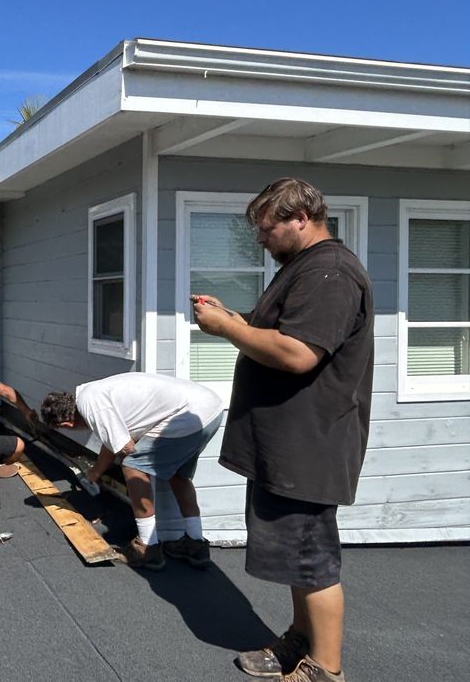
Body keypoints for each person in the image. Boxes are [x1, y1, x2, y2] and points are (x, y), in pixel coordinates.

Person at [193, 177, 374, 682]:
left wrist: (229, 330)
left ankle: (324, 669)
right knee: (296, 555)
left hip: (310, 446)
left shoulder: (331, 273)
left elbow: (298, 354)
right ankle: (300, 639)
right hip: (286, 446)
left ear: (299, 219)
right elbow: (276, 330)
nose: (260, 240)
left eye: (266, 229)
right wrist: (232, 316)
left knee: (313, 557)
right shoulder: (302, 269)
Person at [40, 373, 224, 571]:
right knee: (178, 475)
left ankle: (147, 548)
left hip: (187, 414)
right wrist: (96, 472)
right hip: (209, 410)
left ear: (66, 425)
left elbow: (126, 448)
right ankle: (196, 545)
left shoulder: (91, 404)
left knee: (133, 465)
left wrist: (126, 469)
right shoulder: (91, 393)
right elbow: (112, 441)